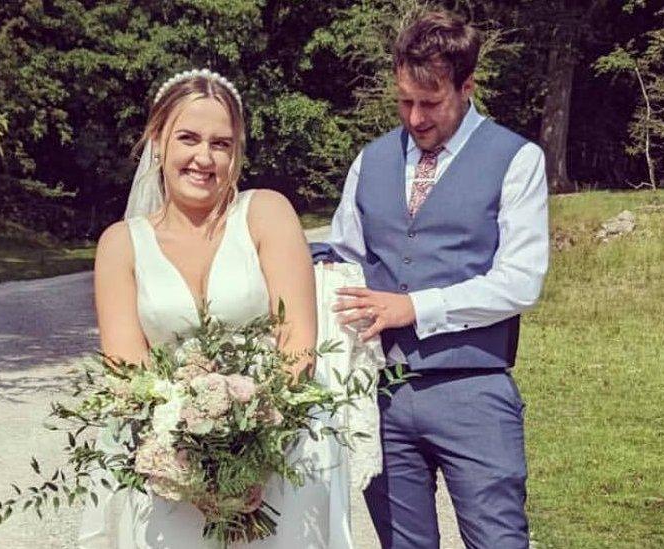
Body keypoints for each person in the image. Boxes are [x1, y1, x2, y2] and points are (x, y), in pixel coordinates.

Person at [80, 69, 356, 548]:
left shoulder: (266, 213)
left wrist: (252, 450)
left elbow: (298, 344)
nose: (204, 158)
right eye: (188, 138)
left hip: (276, 453)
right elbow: (126, 369)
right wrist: (194, 465)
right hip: (166, 464)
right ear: (158, 140)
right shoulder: (121, 245)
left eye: (221, 144)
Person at [325, 10, 550, 549]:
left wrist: (414, 307)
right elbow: (342, 256)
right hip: (381, 394)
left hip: (473, 391)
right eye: (404, 101)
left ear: (467, 86)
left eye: (431, 103)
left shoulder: (517, 160)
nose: (416, 117)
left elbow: (520, 281)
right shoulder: (370, 160)